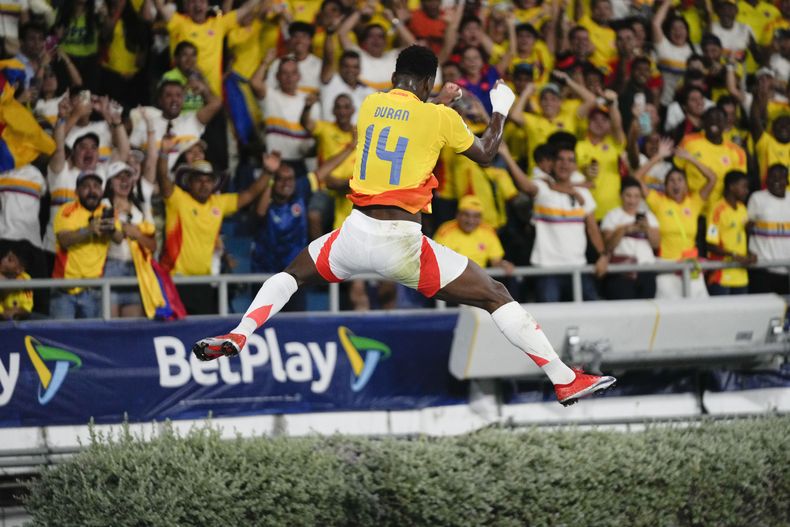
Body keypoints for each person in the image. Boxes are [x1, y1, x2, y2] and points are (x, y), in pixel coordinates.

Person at [193, 45, 615, 407]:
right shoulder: (440, 118)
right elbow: (486, 153)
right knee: (495, 295)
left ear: (395, 76)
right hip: (403, 244)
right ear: (430, 82)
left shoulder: (371, 104)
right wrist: (499, 110)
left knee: (290, 276)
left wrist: (438, 102)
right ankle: (563, 378)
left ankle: (241, 331)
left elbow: (413, 123)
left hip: (354, 234)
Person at [156, 140, 271, 315]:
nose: (204, 185)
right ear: (189, 182)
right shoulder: (178, 200)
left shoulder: (218, 203)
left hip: (206, 282)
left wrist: (268, 171)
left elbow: (249, 195)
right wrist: (163, 155)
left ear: (213, 183)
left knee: (202, 337)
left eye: (208, 180)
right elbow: (163, 180)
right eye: (199, 180)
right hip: (176, 281)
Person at [634, 140, 717, 299]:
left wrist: (690, 159)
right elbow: (637, 178)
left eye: (680, 180)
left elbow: (712, 179)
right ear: (665, 186)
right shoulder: (659, 202)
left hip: (691, 267)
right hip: (667, 268)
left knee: (698, 313)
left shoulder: (694, 202)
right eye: (671, 180)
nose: (676, 184)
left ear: (686, 185)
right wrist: (658, 156)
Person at [51, 169, 122, 319]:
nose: (92, 191)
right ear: (77, 191)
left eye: (96, 186)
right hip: (65, 289)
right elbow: (64, 240)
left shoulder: (107, 211)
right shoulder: (66, 210)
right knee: (60, 339)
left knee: (91, 339)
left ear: (102, 191)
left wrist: (111, 229)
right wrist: (88, 230)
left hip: (94, 289)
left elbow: (119, 238)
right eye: (86, 186)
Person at [103, 161, 157, 317]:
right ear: (110, 183)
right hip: (110, 267)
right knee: (110, 327)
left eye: (128, 177)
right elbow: (116, 238)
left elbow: (153, 246)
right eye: (118, 177)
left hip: (136, 270)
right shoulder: (103, 206)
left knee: (131, 329)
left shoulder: (140, 209)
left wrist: (138, 234)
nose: (124, 181)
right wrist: (122, 225)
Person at [600, 176, 660, 300]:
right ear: (621, 196)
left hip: (646, 272)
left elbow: (656, 244)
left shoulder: (649, 216)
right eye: (628, 195)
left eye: (637, 196)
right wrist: (624, 230)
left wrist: (647, 229)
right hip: (621, 274)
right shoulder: (612, 216)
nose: (632, 200)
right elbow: (608, 245)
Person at [434, 195, 514, 275]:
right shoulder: (445, 231)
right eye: (466, 215)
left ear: (481, 218)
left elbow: (495, 261)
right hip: (452, 279)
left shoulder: (488, 231)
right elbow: (437, 260)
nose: (470, 221)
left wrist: (504, 264)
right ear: (458, 215)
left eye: (476, 216)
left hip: (479, 281)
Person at [705, 170, 754, 295]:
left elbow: (742, 239)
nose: (747, 191)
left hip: (741, 275)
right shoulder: (717, 209)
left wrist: (750, 253)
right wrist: (734, 255)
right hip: (721, 276)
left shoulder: (743, 208)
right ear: (732, 187)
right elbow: (710, 244)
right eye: (744, 186)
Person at [747, 164, 790, 294]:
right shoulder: (757, 198)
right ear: (766, 180)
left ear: (787, 180)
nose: (776, 181)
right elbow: (746, 228)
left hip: (787, 267)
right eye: (773, 177)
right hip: (763, 266)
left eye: (781, 178)